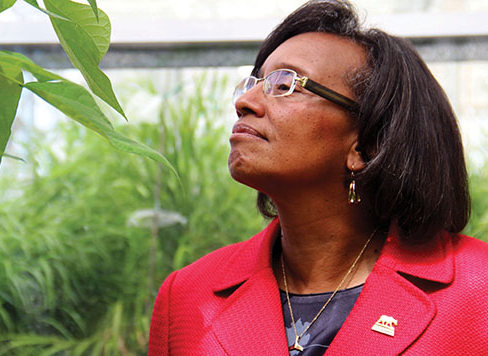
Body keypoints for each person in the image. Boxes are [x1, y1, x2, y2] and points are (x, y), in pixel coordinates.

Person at [148, 0, 488, 355]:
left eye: (285, 84)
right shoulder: (187, 295)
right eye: (253, 82)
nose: (245, 101)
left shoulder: (478, 291)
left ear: (366, 144)